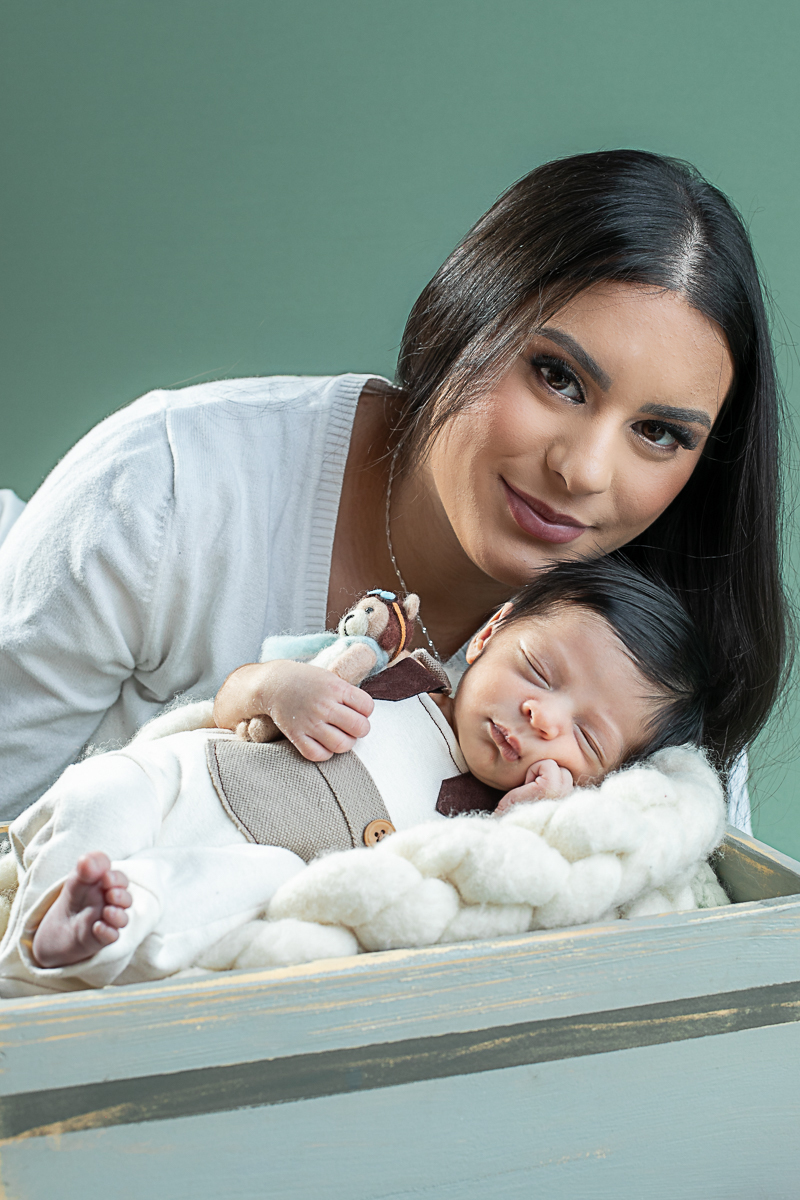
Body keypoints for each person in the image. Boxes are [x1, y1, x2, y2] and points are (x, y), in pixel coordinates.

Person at [0, 150, 789, 824]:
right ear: (465, 316)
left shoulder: (655, 672)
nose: (582, 471)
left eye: (659, 434)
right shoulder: (166, 488)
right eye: (558, 377)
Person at [0, 560, 714, 994]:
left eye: (585, 736)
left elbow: (485, 890)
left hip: (247, 859)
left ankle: (78, 938)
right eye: (538, 671)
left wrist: (535, 821)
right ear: (492, 632)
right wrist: (283, 687)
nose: (541, 714)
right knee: (110, 786)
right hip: (189, 782)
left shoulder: (481, 823)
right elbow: (232, 697)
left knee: (227, 885)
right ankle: (46, 917)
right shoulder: (386, 669)